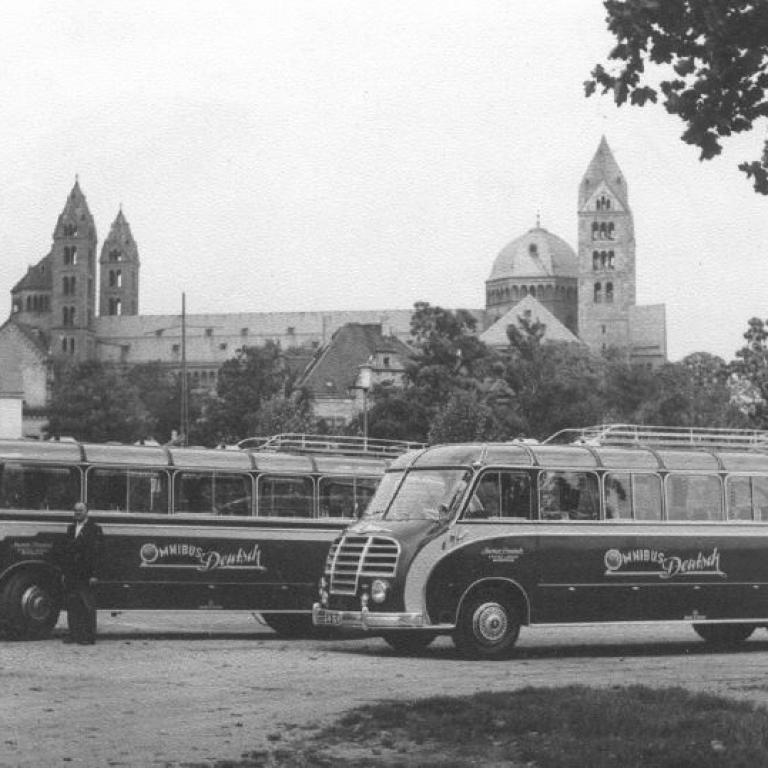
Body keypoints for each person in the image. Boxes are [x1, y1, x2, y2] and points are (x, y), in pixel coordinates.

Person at [62, 502, 103, 645]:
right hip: (72, 574)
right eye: (75, 510)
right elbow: (66, 553)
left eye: (81, 510)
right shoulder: (70, 528)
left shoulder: (95, 529)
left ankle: (89, 637)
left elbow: (97, 554)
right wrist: (65, 573)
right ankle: (74, 635)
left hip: (86, 574)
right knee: (73, 606)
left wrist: (95, 574)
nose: (77, 513)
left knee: (87, 605)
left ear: (87, 512)